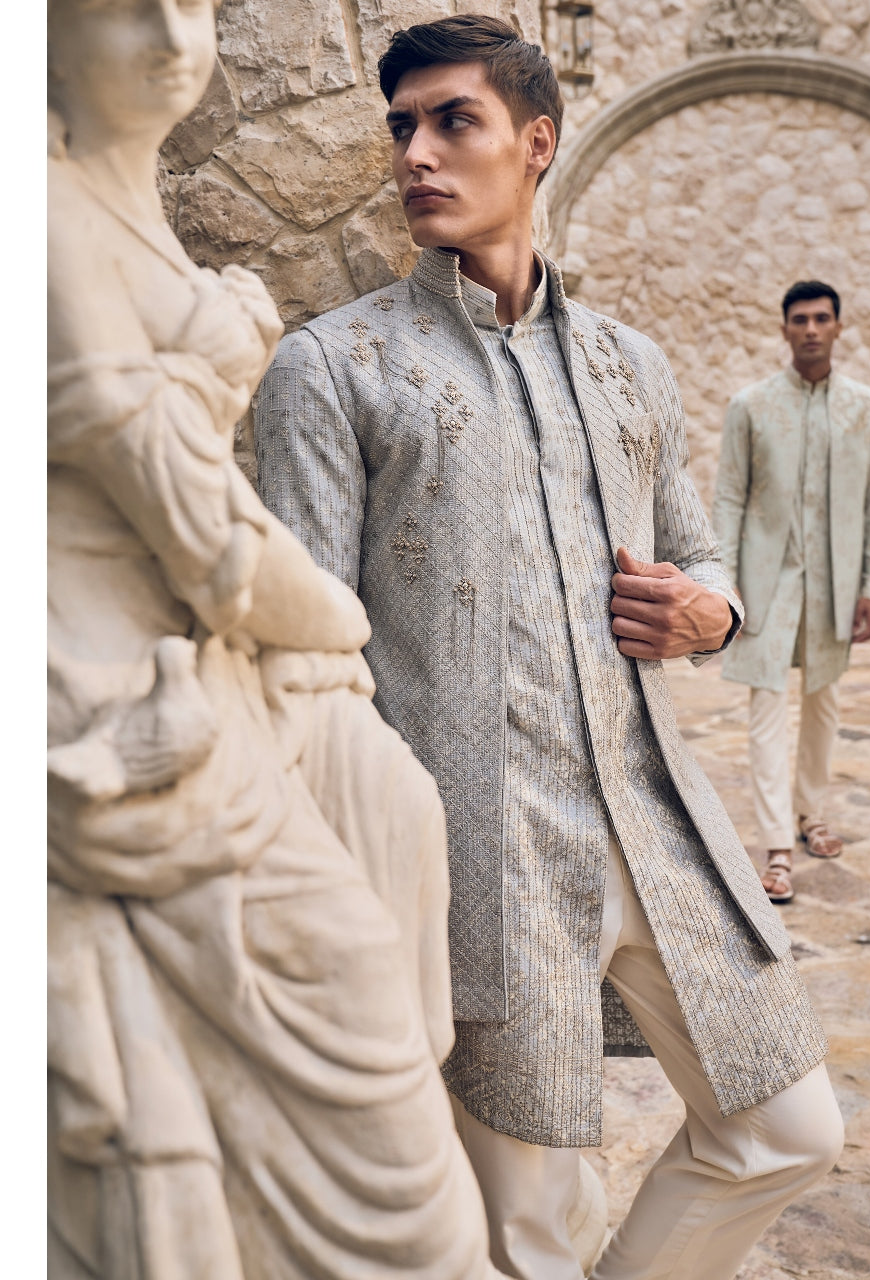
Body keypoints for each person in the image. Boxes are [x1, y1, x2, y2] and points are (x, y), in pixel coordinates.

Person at [254, 16, 844, 1280]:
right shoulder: (334, 367)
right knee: (525, 1231)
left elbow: (701, 553)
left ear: (536, 142)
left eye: (451, 120)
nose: (415, 153)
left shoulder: (631, 364)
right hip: (483, 856)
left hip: (654, 819)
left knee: (789, 1130)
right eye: (401, 126)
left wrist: (714, 614)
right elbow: (305, 661)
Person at [46, 1, 503, 1275]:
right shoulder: (44, 215)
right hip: (120, 680)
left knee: (396, 815)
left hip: (225, 654)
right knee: (387, 1104)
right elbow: (202, 526)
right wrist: (335, 618)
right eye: (123, 7)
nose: (170, 34)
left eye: (191, 4)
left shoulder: (137, 219)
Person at [712, 282, 870, 905]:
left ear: (838, 327)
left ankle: (813, 813)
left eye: (821, 318)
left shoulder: (866, 408)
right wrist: (723, 579)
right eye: (800, 320)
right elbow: (729, 497)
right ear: (784, 329)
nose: (811, 329)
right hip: (766, 581)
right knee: (766, 705)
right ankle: (776, 845)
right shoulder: (751, 406)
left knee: (824, 700)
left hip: (834, 584)